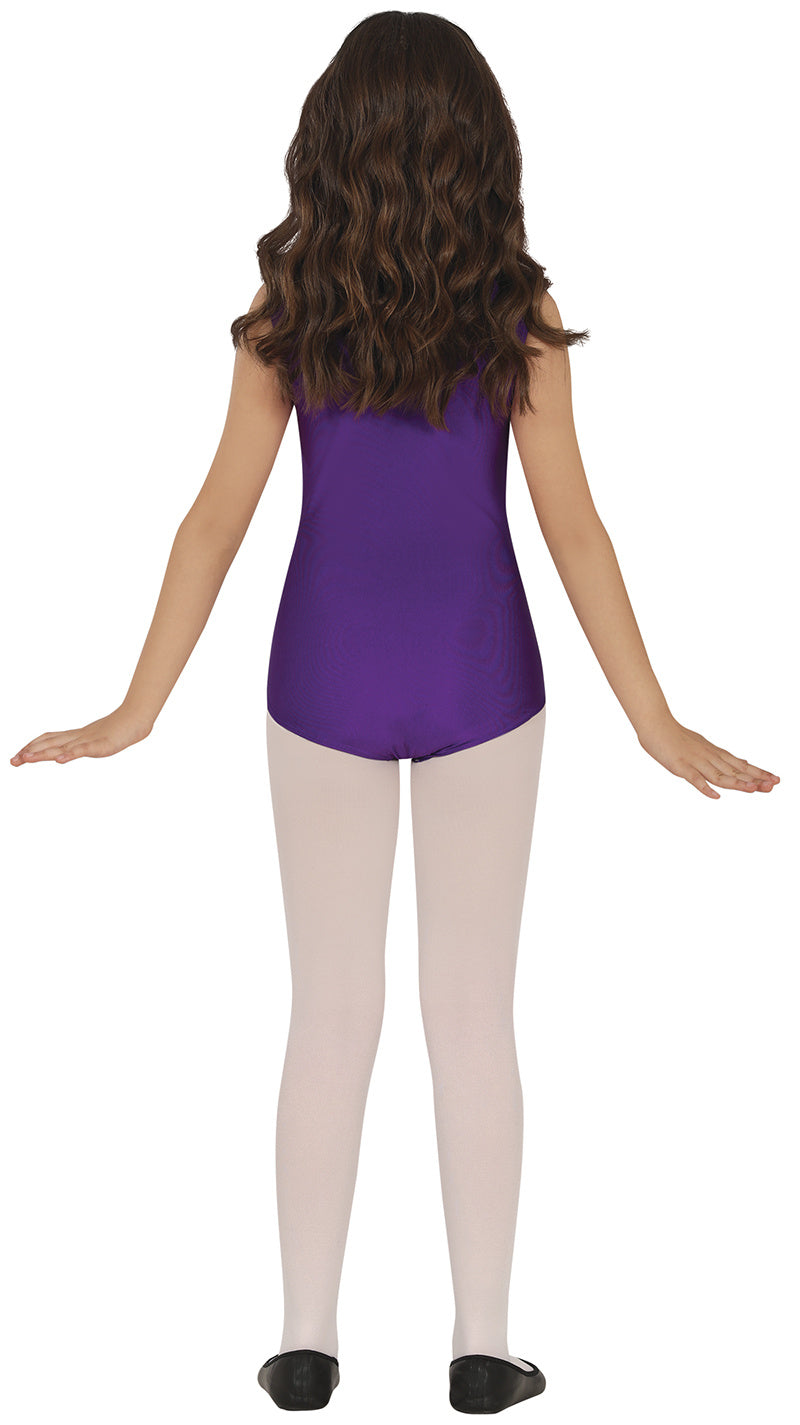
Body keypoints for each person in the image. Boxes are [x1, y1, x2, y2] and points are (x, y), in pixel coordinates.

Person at [9, 10, 780, 1416]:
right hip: (483, 673)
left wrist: (138, 706)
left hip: (324, 673)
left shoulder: (289, 309)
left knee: (329, 1011)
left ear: (330, 145)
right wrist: (653, 721)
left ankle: (306, 1343)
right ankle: (483, 1348)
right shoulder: (515, 312)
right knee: (474, 1013)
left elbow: (215, 522)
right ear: (483, 149)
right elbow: (575, 529)